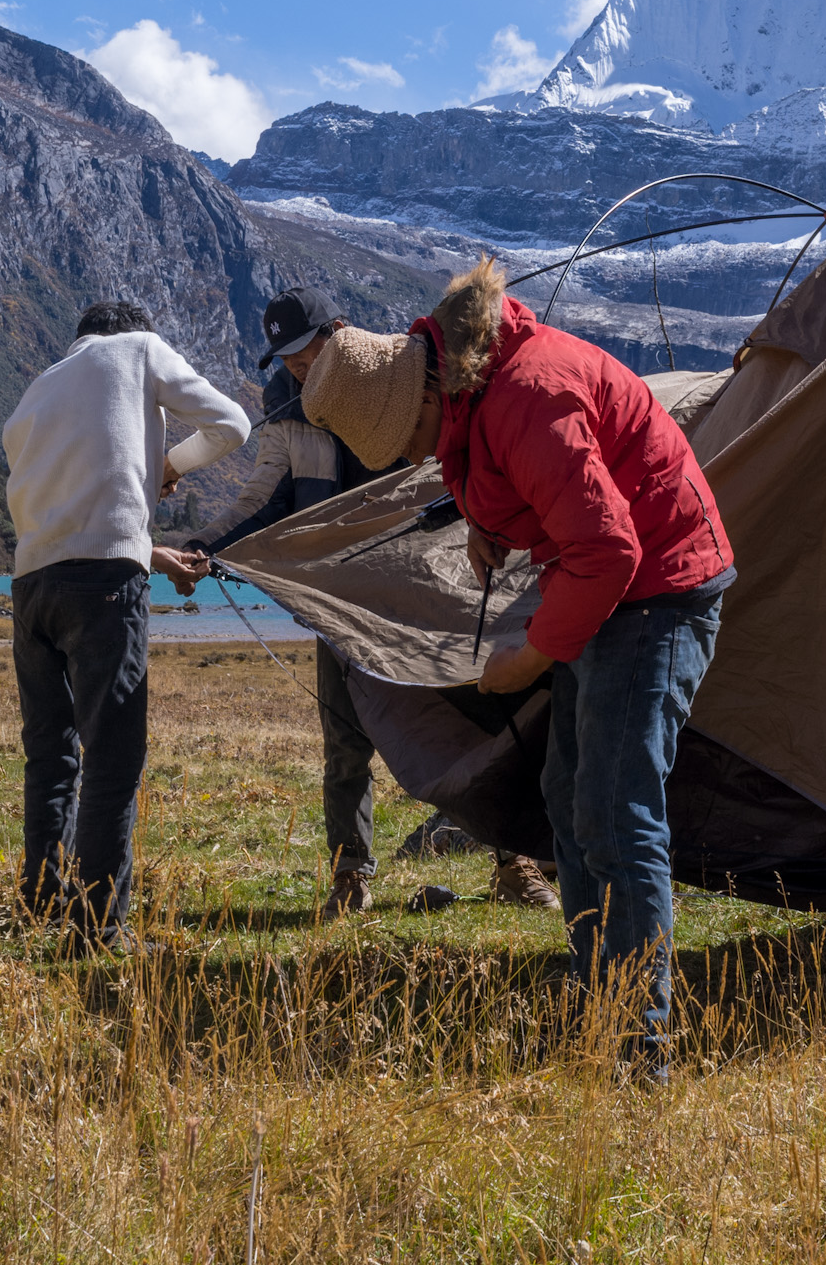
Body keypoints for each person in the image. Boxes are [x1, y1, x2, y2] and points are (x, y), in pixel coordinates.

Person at [304, 258, 731, 1068]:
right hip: (609, 587)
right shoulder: (473, 387)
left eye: (412, 441)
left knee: (614, 809)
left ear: (428, 394)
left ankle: (638, 1044)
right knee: (570, 797)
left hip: (659, 589)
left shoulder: (527, 396)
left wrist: (531, 656)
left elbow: (609, 549)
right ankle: (599, 996)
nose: (418, 455)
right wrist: (485, 520)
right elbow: (498, 468)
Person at [198, 289, 559, 918]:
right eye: (284, 359)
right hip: (337, 597)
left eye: (303, 353)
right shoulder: (285, 405)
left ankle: (516, 860)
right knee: (345, 740)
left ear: (337, 331)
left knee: (479, 714)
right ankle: (351, 875)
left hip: (429, 586)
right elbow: (262, 497)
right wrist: (202, 547)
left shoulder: (394, 379)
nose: (296, 368)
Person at [0, 298, 249, 948]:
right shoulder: (139, 349)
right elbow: (231, 425)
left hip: (31, 590)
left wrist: (154, 552)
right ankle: (98, 928)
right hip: (102, 592)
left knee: (50, 757)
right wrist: (168, 466)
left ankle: (43, 902)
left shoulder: (40, 387)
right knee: (112, 757)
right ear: (135, 334)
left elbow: (73, 513)